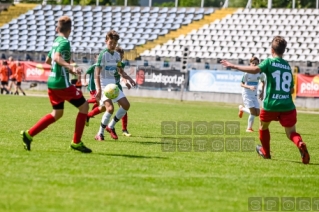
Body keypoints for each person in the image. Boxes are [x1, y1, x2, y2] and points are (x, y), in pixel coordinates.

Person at [221, 36, 310, 164]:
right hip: (287, 105)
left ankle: (266, 152)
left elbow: (256, 69)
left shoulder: (269, 62)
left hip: (271, 104)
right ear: (283, 51)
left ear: (271, 50)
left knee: (263, 127)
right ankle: (300, 143)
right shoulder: (287, 66)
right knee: (291, 132)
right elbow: (291, 90)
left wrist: (234, 66)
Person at [20, 16, 92, 153]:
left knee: (57, 113)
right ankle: (76, 142)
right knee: (84, 106)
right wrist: (70, 66)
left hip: (52, 82)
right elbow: (56, 58)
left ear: (57, 28)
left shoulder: (55, 41)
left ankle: (29, 134)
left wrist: (68, 66)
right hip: (61, 82)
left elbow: (48, 60)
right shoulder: (65, 42)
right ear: (70, 29)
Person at [94, 30, 136, 141]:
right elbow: (96, 74)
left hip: (113, 86)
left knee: (126, 105)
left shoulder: (117, 55)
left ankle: (111, 126)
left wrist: (130, 79)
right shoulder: (102, 55)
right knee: (110, 108)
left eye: (115, 43)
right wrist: (98, 89)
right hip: (104, 86)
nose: (113, 45)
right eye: (110, 42)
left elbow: (120, 70)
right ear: (106, 41)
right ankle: (100, 133)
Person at [238, 56, 265, 132]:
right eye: (253, 63)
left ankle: (242, 109)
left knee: (257, 113)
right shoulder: (246, 73)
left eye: (256, 63)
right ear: (250, 64)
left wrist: (262, 92)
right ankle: (249, 128)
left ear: (258, 64)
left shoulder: (260, 73)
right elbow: (241, 84)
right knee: (253, 112)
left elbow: (263, 82)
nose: (254, 64)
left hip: (254, 95)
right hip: (246, 94)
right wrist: (249, 87)